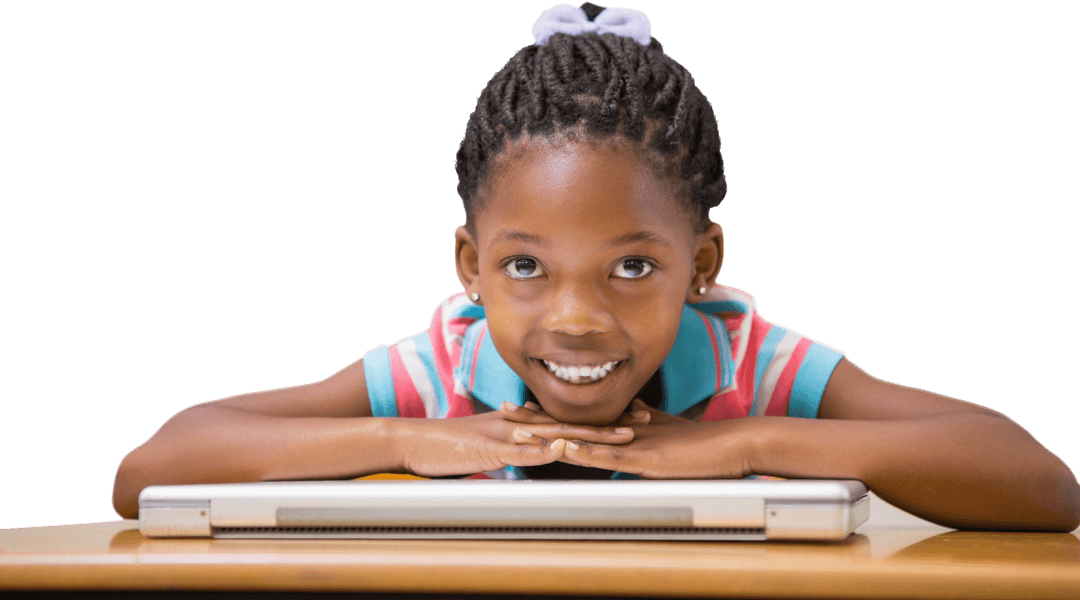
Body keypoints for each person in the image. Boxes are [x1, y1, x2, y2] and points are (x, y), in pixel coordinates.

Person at [111, 2, 1079, 531]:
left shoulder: (754, 366)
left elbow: (1035, 483)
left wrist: (746, 444)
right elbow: (154, 465)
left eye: (630, 269)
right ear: (471, 268)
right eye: (526, 265)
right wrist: (403, 439)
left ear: (702, 264)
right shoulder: (443, 372)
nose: (574, 318)